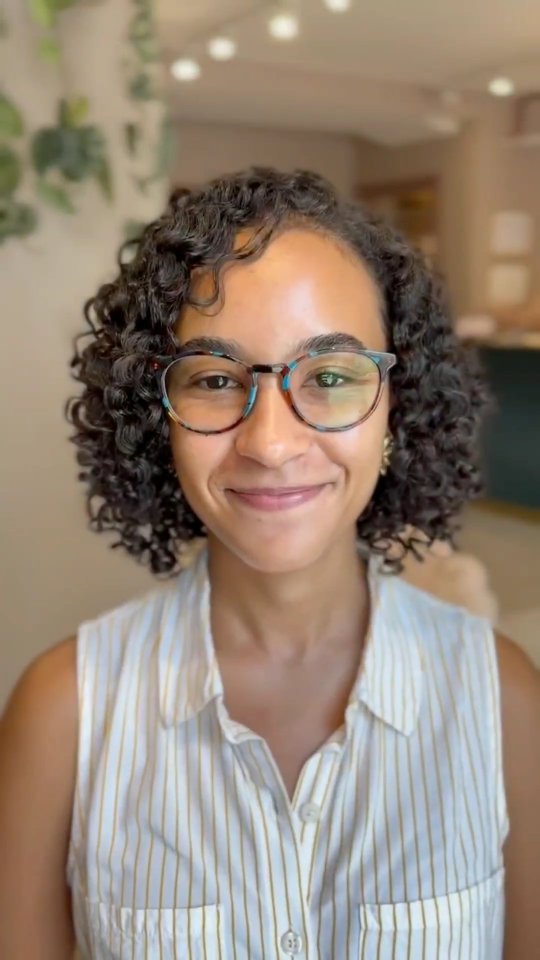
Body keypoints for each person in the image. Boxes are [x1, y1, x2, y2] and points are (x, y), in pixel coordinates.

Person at [1, 167, 538, 960]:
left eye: (328, 376)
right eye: (217, 380)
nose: (272, 443)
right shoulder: (62, 712)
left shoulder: (505, 702)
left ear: (399, 405)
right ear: (158, 421)